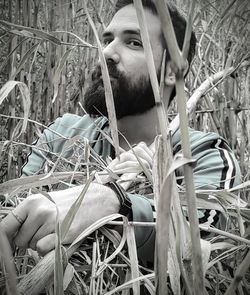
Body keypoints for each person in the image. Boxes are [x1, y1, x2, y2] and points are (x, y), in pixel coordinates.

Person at [1, 0, 241, 266]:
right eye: (107, 40)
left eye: (134, 43)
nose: (107, 53)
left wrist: (115, 204)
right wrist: (95, 189)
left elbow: (199, 239)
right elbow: (13, 213)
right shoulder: (62, 134)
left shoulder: (204, 155)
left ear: (172, 71)